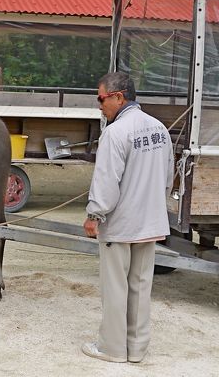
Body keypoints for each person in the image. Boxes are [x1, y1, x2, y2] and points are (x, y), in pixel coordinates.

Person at [81, 72, 173, 364]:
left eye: (101, 98)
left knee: (115, 288)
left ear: (119, 97)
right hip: (150, 223)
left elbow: (107, 182)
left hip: (120, 225)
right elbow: (168, 179)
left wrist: (94, 214)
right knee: (141, 285)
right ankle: (137, 348)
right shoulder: (159, 129)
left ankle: (112, 349)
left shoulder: (116, 132)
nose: (99, 105)